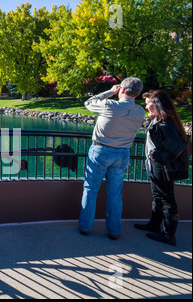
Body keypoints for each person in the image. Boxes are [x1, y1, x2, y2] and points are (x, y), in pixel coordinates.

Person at [79, 77, 146, 239]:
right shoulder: (140, 112)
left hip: (101, 151)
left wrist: (110, 91)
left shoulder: (110, 105)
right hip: (123, 154)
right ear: (137, 93)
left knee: (90, 189)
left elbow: (89, 102)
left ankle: (85, 227)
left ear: (121, 90)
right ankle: (114, 230)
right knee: (115, 193)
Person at [134, 90, 190, 246]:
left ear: (156, 104)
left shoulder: (165, 122)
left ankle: (169, 235)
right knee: (158, 196)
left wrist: (157, 155)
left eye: (147, 103)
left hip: (162, 167)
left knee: (167, 199)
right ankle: (154, 225)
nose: (145, 106)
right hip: (156, 166)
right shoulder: (159, 120)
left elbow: (178, 144)